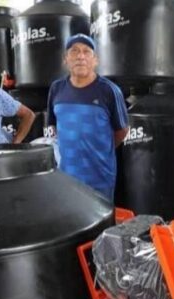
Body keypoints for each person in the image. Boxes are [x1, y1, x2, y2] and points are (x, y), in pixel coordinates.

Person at [46, 34, 129, 201]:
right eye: (74, 51)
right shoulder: (56, 89)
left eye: (86, 51)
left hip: (100, 177)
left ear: (95, 59)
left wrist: (99, 150)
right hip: (66, 178)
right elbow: (53, 126)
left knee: (101, 223)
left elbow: (122, 130)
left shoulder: (109, 91)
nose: (80, 56)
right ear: (65, 59)